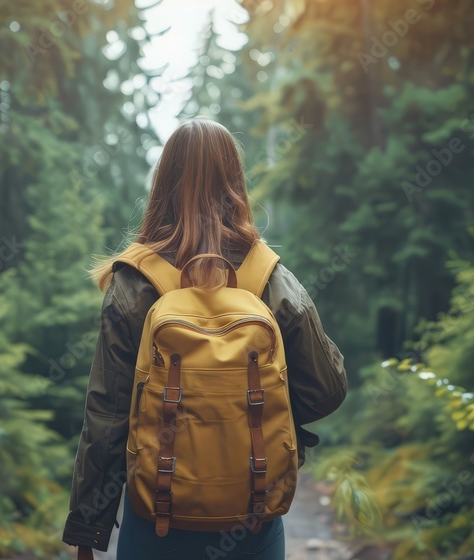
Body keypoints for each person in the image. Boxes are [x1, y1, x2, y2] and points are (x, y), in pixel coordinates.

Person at [62, 117, 347, 559]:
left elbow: (108, 417)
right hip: (253, 518)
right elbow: (327, 391)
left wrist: (87, 530)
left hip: (157, 522)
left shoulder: (133, 282)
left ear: (163, 184)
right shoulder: (270, 277)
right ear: (235, 182)